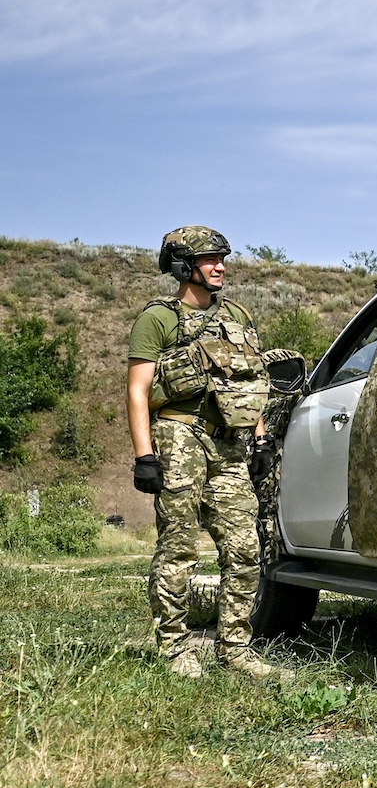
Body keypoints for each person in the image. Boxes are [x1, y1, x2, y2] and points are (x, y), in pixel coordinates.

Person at [126, 227, 278, 678]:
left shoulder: (236, 315)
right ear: (182, 266)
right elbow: (137, 391)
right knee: (178, 547)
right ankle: (175, 649)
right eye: (209, 259)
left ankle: (236, 650)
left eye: (222, 258)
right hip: (178, 437)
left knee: (245, 546)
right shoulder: (158, 319)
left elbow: (249, 383)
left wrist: (262, 438)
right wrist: (144, 455)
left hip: (229, 443)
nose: (220, 266)